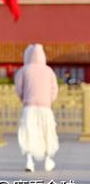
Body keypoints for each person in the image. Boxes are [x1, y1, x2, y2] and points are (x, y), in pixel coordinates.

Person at [14, 44, 59, 172]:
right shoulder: (49, 71)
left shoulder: (24, 70)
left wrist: (24, 98)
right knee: (47, 133)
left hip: (29, 107)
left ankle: (29, 161)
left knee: (28, 133)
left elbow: (18, 88)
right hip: (45, 108)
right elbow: (54, 90)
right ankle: (48, 160)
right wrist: (49, 100)